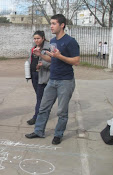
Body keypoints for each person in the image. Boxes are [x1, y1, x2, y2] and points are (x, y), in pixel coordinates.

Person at [25, 14, 80, 145]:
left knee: (62, 111)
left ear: (62, 25)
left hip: (65, 81)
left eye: (54, 23)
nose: (51, 26)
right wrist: (41, 56)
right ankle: (38, 131)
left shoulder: (70, 41)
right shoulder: (54, 41)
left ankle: (58, 134)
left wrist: (60, 56)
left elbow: (76, 61)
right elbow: (52, 59)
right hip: (52, 80)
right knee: (43, 107)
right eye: (51, 23)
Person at [26, 31, 50, 125]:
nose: (36, 40)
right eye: (35, 38)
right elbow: (30, 59)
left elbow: (51, 61)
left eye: (38, 38)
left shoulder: (48, 48)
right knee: (39, 95)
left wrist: (42, 64)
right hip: (34, 75)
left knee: (40, 96)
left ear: (43, 38)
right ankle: (44, 111)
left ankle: (36, 117)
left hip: (42, 75)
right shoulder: (33, 47)